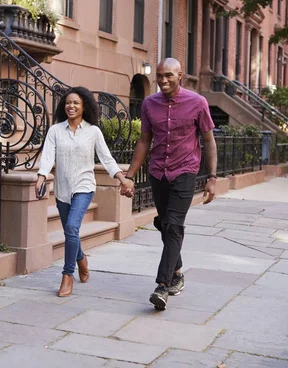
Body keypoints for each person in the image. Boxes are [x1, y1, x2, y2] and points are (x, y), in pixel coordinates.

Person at [122, 58, 217, 311]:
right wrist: (130, 175)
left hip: (185, 171)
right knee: (165, 223)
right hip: (158, 173)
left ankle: (162, 286)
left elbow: (208, 140)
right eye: (160, 76)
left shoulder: (198, 103)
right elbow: (144, 140)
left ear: (180, 76)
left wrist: (212, 177)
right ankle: (177, 272)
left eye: (169, 76)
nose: (163, 80)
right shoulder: (149, 104)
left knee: (173, 226)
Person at [36, 86, 134, 297]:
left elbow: (106, 158)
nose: (71, 106)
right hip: (62, 189)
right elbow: (47, 156)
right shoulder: (55, 130)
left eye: (76, 103)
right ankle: (81, 259)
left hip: (84, 187)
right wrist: (41, 177)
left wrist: (122, 179)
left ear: (84, 107)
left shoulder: (93, 132)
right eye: (68, 103)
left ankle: (67, 276)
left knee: (71, 227)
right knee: (70, 232)